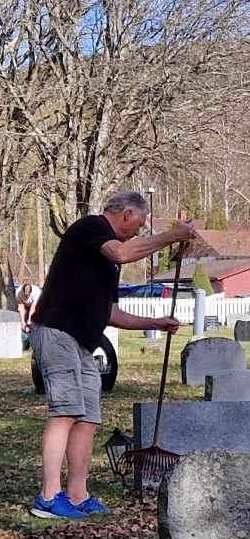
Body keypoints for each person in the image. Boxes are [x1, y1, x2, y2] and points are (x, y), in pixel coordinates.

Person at [29, 190, 198, 521]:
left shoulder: (108, 262)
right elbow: (122, 253)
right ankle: (48, 496)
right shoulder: (91, 228)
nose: (140, 230)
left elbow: (110, 312)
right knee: (64, 412)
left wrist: (155, 323)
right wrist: (171, 236)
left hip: (82, 342)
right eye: (140, 223)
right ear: (125, 214)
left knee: (88, 418)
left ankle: (77, 495)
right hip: (56, 332)